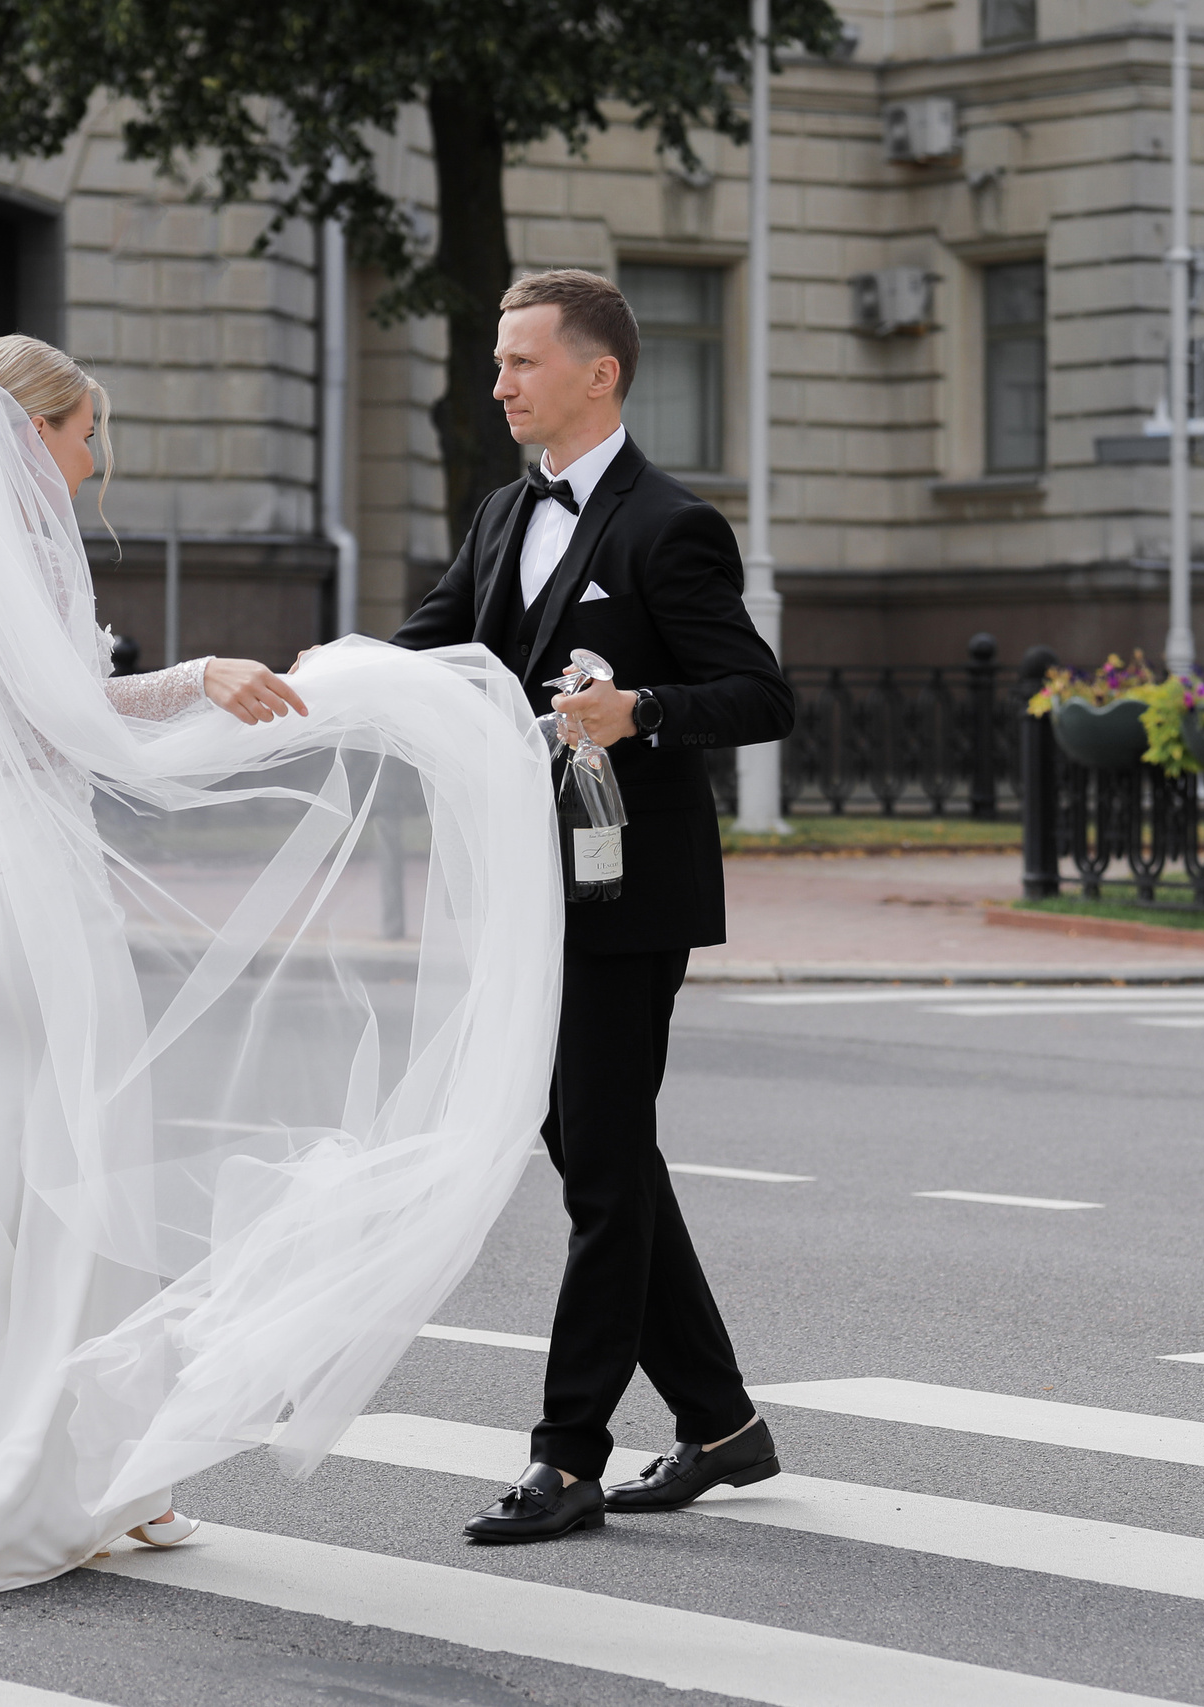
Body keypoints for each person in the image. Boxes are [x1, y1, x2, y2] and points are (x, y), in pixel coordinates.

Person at [0, 338, 562, 1604]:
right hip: (20, 899)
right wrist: (205, 683)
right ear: (28, 435)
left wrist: (180, 691)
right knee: (61, 1175)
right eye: (80, 437)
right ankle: (34, 1483)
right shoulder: (2, 568)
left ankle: (70, 1475)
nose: (89, 463)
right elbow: (63, 727)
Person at [390, 269, 794, 1543]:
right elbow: (431, 643)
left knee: (601, 1171)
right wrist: (316, 688)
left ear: (597, 373)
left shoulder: (670, 527)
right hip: (529, 885)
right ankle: (721, 1423)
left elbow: (760, 695)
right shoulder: (506, 513)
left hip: (631, 892)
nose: (498, 382)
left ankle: (566, 1455)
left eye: (519, 362)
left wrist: (647, 712)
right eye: (499, 362)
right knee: (594, 1151)